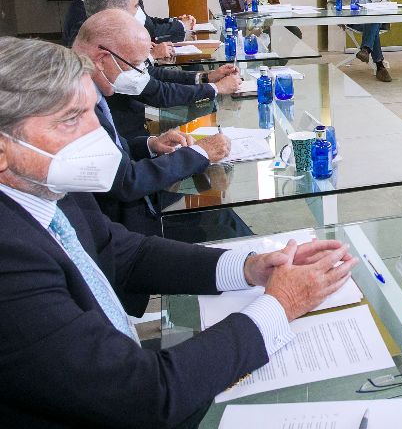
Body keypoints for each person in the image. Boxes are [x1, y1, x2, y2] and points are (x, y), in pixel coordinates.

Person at [0, 37, 359, 427]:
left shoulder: (48, 188)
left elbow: (127, 253)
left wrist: (250, 267)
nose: (97, 134)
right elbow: (144, 396)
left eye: (91, 112)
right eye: (71, 119)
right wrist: (280, 305)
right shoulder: (10, 260)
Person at [73, 11, 236, 237]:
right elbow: (125, 181)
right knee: (223, 227)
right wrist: (200, 152)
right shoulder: (74, 104)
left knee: (223, 214)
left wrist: (150, 144)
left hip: (134, 204)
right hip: (123, 226)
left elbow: (114, 150)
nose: (141, 73)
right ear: (102, 59)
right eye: (137, 65)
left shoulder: (92, 89)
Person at [83, 0, 242, 140]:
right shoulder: (110, 49)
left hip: (139, 135)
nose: (141, 12)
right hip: (131, 137)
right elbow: (159, 93)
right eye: (136, 6)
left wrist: (205, 77)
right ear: (114, 11)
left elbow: (149, 73)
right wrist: (216, 88)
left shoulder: (108, 39)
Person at [327, 0, 393, 82]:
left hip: (375, 17)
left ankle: (366, 50)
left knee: (373, 18)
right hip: (354, 19)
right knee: (373, 24)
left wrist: (380, 6)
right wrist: (337, 16)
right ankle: (379, 65)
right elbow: (331, 3)